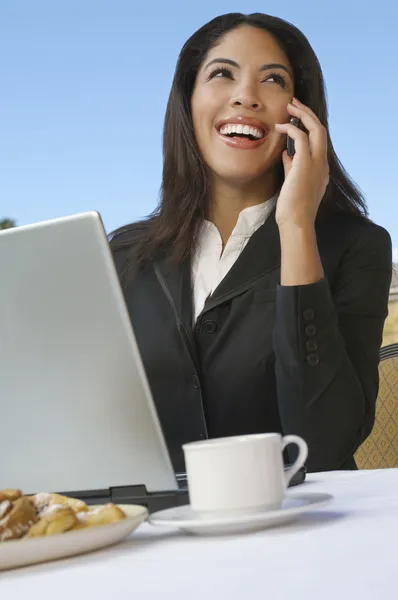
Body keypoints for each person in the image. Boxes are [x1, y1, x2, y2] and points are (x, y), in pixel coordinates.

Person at [109, 12, 392, 473]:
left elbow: (323, 443)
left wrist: (297, 225)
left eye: (274, 80)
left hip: (304, 533)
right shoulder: (122, 257)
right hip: (157, 535)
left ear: (299, 112)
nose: (246, 96)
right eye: (222, 74)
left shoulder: (354, 247)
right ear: (188, 100)